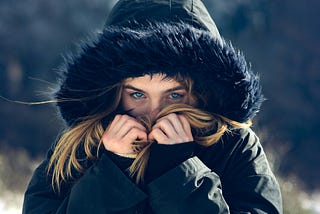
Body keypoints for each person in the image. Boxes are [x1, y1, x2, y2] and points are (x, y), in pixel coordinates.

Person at [22, 0, 283, 213]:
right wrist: (113, 171)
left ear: (200, 93)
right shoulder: (80, 145)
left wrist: (180, 171)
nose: (154, 112)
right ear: (113, 91)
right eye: (137, 94)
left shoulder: (233, 145)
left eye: (174, 95)